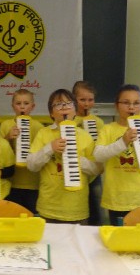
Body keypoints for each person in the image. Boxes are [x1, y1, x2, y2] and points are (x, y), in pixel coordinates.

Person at [27, 89, 102, 224]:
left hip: (77, 209)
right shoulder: (43, 133)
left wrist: (75, 159)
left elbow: (97, 169)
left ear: (75, 110)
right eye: (58, 104)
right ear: (51, 113)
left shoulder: (85, 136)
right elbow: (32, 165)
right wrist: (50, 148)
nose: (64, 107)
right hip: (48, 207)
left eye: (69, 104)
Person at [93, 84, 140, 225]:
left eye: (136, 103)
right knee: (119, 236)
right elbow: (98, 155)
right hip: (117, 198)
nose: (131, 107)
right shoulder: (107, 129)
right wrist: (122, 142)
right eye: (126, 103)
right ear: (116, 106)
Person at [0, 89, 43, 213]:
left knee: (32, 217)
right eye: (18, 103)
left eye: (26, 103)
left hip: (33, 183)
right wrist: (8, 138)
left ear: (32, 106)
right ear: (13, 106)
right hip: (11, 183)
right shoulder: (5, 125)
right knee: (12, 216)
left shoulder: (39, 127)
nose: (22, 107)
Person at [72, 80, 105, 225]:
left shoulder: (98, 122)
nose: (86, 104)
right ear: (74, 100)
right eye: (82, 100)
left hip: (94, 172)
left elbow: (102, 147)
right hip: (75, 170)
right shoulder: (69, 121)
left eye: (90, 100)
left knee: (97, 205)